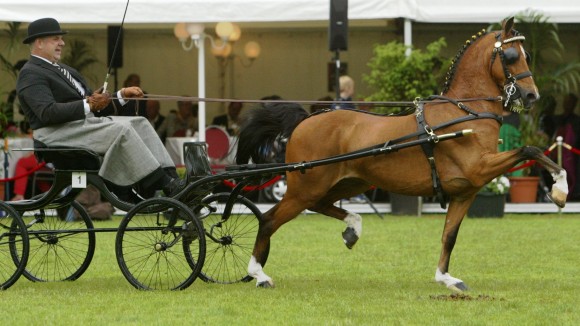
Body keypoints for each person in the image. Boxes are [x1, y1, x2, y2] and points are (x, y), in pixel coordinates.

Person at [16, 18, 184, 201]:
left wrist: (121, 96)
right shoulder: (31, 73)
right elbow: (47, 112)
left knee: (139, 122)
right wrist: (88, 104)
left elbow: (94, 106)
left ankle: (173, 180)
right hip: (54, 133)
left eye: (60, 39)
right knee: (122, 129)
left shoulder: (66, 70)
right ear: (39, 42)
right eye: (56, 38)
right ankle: (161, 184)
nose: (62, 43)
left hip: (81, 125)